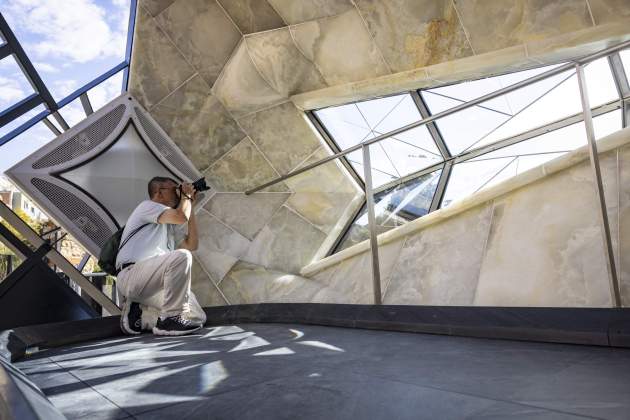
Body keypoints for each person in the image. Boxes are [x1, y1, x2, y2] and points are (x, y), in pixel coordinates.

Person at [115, 176, 204, 336]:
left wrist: (191, 205)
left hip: (154, 285)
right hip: (132, 275)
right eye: (174, 189)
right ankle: (169, 321)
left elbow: (192, 244)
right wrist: (186, 196)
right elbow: (180, 217)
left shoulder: (168, 227)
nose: (178, 193)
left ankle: (142, 316)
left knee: (197, 315)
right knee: (182, 257)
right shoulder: (147, 206)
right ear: (159, 192)